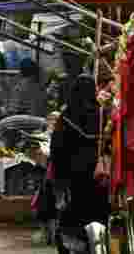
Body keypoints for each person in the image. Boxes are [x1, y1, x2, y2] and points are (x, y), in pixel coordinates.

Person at [50, 75, 110, 254]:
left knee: (74, 218)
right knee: (98, 216)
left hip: (74, 178)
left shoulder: (66, 116)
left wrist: (59, 180)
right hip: (99, 177)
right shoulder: (103, 116)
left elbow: (57, 150)